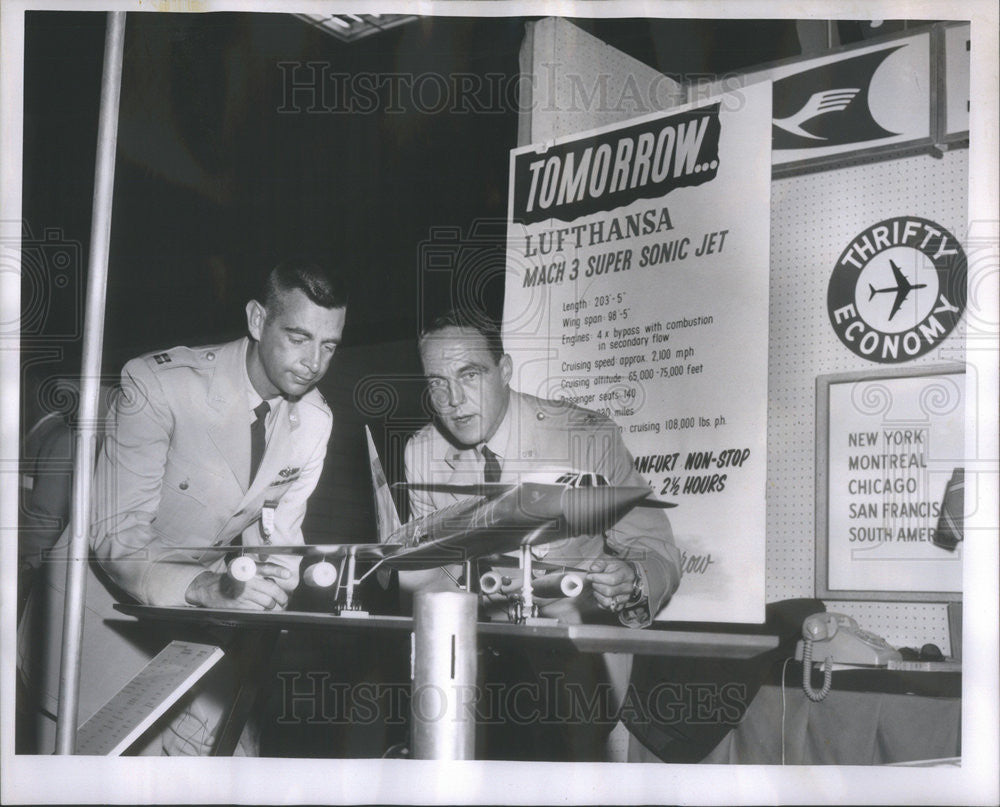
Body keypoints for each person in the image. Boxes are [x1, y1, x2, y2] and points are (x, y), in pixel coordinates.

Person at [17, 259, 347, 755]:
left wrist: (274, 584)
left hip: (197, 633)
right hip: (94, 627)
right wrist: (205, 589)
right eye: (299, 338)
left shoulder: (315, 422)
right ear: (257, 320)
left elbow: (280, 541)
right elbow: (117, 534)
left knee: (227, 768)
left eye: (329, 345)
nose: (313, 362)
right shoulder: (160, 385)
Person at [400, 308, 682, 759]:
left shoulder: (585, 437)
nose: (452, 400)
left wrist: (631, 577)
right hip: (477, 661)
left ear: (505, 370)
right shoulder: (422, 452)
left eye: (469, 374)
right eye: (437, 382)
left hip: (569, 656)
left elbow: (657, 549)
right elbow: (429, 578)